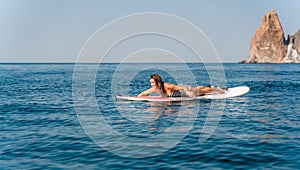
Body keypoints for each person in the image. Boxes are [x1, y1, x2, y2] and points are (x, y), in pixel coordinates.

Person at [138, 74, 225, 97]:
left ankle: (218, 90)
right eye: (151, 82)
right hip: (183, 92)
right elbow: (143, 94)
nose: (151, 84)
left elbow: (181, 87)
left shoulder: (167, 86)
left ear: (158, 82)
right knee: (198, 88)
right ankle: (211, 87)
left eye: (152, 82)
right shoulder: (155, 88)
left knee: (203, 92)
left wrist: (189, 93)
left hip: (185, 91)